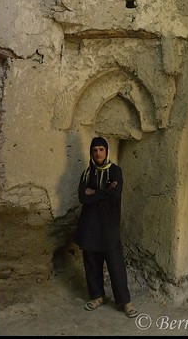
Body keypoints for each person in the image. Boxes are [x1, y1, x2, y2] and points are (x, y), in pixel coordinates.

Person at [73, 136, 138, 318]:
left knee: (116, 264)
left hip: (109, 226)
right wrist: (104, 192)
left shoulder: (115, 171)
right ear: (91, 153)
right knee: (92, 262)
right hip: (90, 226)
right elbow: (82, 197)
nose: (98, 153)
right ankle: (97, 296)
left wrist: (94, 192)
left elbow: (115, 194)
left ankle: (125, 302)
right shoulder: (87, 174)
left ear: (106, 151)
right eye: (95, 150)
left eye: (101, 149)